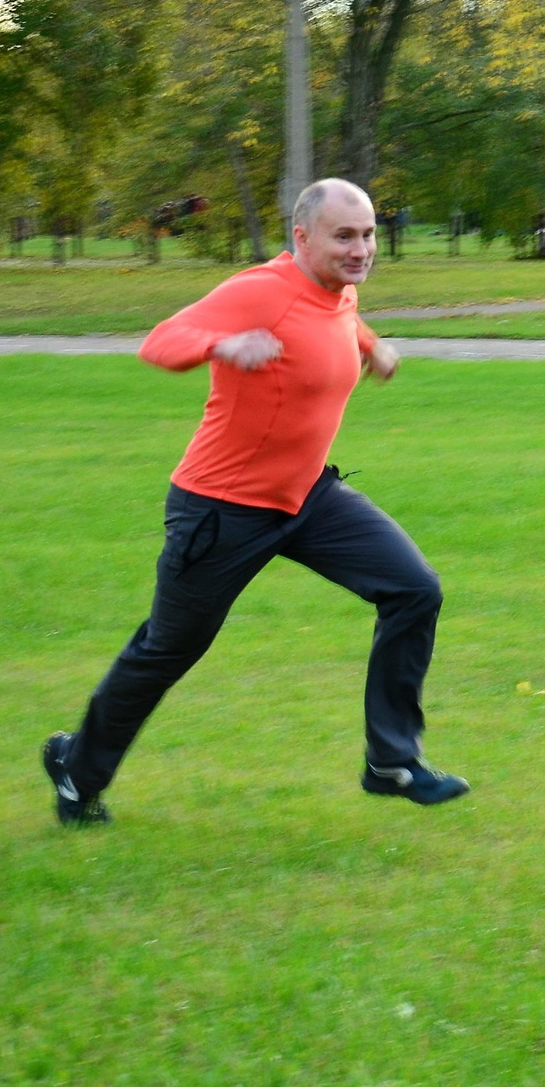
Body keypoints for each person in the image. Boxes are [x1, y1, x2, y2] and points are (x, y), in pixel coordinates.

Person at [40, 178, 467, 826]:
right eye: (344, 236)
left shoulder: (339, 288)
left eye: (368, 235)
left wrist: (372, 346)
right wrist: (221, 345)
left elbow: (336, 318)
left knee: (414, 589)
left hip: (307, 497)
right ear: (302, 238)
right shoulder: (259, 291)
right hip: (222, 509)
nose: (360, 250)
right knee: (168, 649)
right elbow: (161, 339)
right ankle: (78, 771)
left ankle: (391, 760)